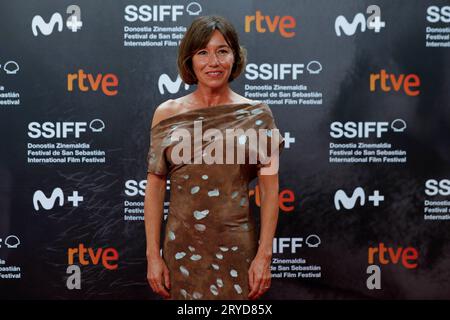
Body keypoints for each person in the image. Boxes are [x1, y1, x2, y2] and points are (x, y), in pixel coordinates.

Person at [144, 15, 284, 300]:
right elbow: (155, 186)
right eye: (203, 52)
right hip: (181, 248)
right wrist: (153, 256)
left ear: (235, 56)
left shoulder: (257, 115)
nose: (213, 61)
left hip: (237, 247)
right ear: (190, 60)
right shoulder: (167, 114)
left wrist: (264, 255)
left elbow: (270, 190)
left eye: (222, 51)